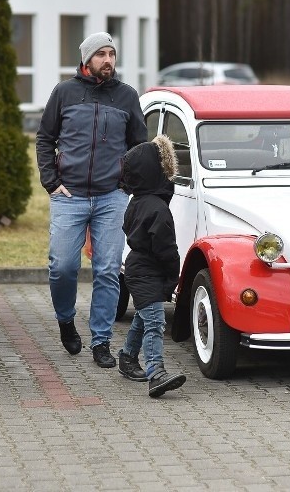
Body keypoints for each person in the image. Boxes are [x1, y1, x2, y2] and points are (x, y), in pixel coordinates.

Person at [36, 32, 148, 366]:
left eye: (112, 54)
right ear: (87, 59)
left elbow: (139, 147)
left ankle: (101, 341)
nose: (108, 60)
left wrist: (128, 184)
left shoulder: (126, 96)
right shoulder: (64, 92)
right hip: (68, 196)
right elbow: (45, 138)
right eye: (101, 54)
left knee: (108, 270)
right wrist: (50, 181)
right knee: (63, 266)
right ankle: (66, 321)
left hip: (111, 197)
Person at [118, 135, 186, 398]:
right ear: (157, 172)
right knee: (156, 322)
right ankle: (155, 372)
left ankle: (126, 357)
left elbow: (128, 228)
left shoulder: (137, 200)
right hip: (148, 271)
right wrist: (174, 274)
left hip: (137, 267)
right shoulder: (158, 208)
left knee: (143, 317)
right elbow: (166, 249)